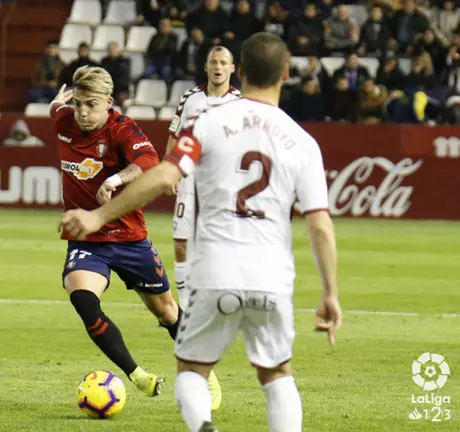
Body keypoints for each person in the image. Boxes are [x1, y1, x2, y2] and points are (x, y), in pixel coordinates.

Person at [60, 33, 343, 432]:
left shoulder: (210, 120)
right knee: (278, 376)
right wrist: (330, 293)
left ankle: (202, 427)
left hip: (215, 269)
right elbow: (320, 224)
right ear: (285, 72)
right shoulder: (303, 141)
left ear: (239, 71)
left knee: (192, 370)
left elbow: (163, 175)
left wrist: (98, 215)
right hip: (271, 276)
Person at [49, 65, 220, 399]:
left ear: (109, 102)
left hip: (129, 238)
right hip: (87, 239)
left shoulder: (122, 129)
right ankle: (137, 375)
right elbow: (57, 107)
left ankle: (206, 375)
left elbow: (149, 160)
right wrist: (60, 103)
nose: (82, 113)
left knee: (168, 312)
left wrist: (115, 180)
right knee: (83, 299)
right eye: (78, 104)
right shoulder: (63, 119)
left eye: (91, 105)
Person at [164, 45, 239, 412]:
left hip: (219, 181)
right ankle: (188, 305)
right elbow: (174, 135)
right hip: (190, 177)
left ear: (232, 69)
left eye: (224, 63)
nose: (218, 68)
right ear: (207, 67)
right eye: (214, 62)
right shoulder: (190, 98)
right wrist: (170, 170)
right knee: (180, 244)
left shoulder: (239, 103)